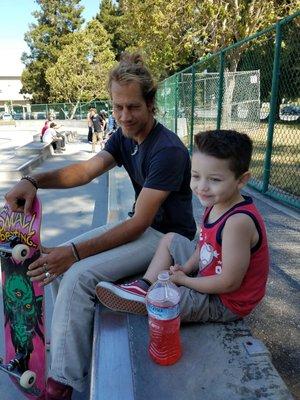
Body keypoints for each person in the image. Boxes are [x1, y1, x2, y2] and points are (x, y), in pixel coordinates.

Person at [4, 52, 196, 400]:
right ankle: (69, 350)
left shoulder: (167, 150)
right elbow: (86, 171)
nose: (124, 116)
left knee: (76, 272)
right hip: (143, 229)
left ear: (151, 103)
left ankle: (60, 385)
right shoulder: (124, 137)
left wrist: (74, 252)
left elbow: (140, 223)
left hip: (168, 239)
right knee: (55, 266)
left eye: (133, 107)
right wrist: (33, 181)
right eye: (118, 107)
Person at [96, 130, 269, 325]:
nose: (202, 187)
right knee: (170, 238)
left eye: (214, 180)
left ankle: (148, 300)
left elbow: (229, 282)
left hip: (225, 302)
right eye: (196, 176)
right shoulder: (215, 202)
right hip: (211, 275)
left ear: (241, 180)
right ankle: (144, 286)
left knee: (169, 301)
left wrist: (183, 280)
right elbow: (203, 245)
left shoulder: (238, 222)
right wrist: (185, 269)